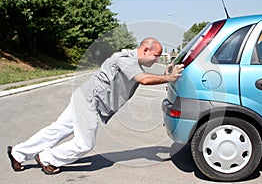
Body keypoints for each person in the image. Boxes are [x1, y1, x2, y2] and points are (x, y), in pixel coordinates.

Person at [7, 37, 184, 175]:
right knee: (85, 143)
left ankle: (18, 153)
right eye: (156, 56)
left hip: (85, 97)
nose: (157, 59)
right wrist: (168, 78)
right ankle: (47, 158)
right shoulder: (125, 58)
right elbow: (144, 80)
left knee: (57, 130)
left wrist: (165, 75)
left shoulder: (134, 63)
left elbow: (146, 76)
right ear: (145, 49)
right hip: (89, 100)